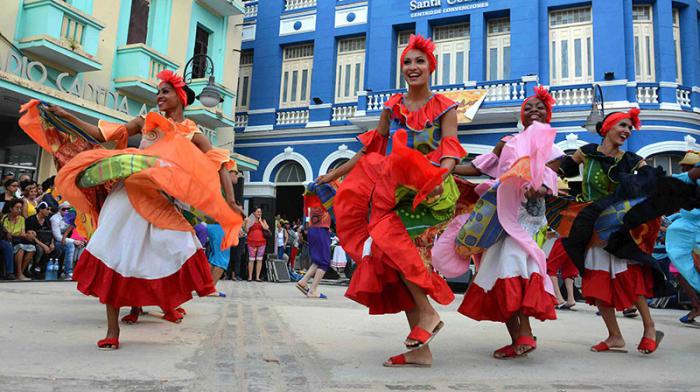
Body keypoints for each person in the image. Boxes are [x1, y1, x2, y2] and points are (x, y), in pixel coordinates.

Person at [19, 69, 243, 350]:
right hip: (126, 196)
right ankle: (112, 331)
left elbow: (221, 162)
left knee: (174, 251)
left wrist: (232, 202)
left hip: (161, 202)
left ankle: (164, 304)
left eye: (165, 91)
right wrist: (68, 117)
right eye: (158, 92)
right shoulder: (146, 121)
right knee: (116, 255)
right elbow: (103, 134)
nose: (159, 96)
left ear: (181, 96)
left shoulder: (192, 133)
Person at [323, 35, 466, 367]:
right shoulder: (392, 107)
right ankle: (421, 351)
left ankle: (428, 316)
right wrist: (332, 176)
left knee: (395, 252)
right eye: (407, 62)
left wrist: (437, 179)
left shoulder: (445, 106)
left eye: (419, 61)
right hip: (394, 194)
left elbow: (450, 152)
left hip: (430, 196)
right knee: (392, 260)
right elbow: (369, 150)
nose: (412, 67)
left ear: (432, 67)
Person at [445, 87, 562, 359]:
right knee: (497, 273)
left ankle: (523, 335)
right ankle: (521, 336)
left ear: (548, 113)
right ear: (522, 114)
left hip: (527, 219)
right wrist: (444, 168)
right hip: (497, 215)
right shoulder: (508, 141)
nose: (533, 111)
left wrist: (539, 187)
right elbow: (479, 168)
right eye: (528, 107)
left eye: (539, 107)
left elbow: (549, 177)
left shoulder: (551, 146)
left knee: (512, 268)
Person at [562, 109, 662, 354]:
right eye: (623, 125)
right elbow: (560, 170)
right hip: (590, 224)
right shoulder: (586, 153)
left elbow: (651, 180)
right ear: (607, 127)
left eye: (629, 127)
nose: (627, 131)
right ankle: (614, 336)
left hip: (616, 225)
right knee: (596, 281)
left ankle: (650, 328)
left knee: (628, 276)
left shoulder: (632, 159)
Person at [665, 151, 700, 325]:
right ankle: (696, 306)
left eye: (687, 167)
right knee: (678, 271)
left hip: (692, 239)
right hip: (685, 239)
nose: (684, 169)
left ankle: (696, 307)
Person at [545, 179, 579, 310]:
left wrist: (552, 233)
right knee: (569, 270)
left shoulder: (559, 205)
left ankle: (558, 297)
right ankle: (571, 298)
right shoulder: (574, 203)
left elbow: (559, 227)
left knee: (551, 268)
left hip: (563, 240)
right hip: (574, 241)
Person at [295, 205, 332, 299]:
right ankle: (312, 290)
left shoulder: (310, 197)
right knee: (324, 261)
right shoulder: (323, 194)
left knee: (318, 260)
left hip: (313, 229)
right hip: (321, 229)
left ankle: (303, 281)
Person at [1, 198, 36, 280]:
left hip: (18, 239)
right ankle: (19, 273)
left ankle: (20, 273)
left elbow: (22, 233)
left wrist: (28, 234)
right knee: (20, 249)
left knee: (32, 249)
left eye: (21, 208)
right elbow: (7, 234)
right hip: (9, 240)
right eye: (17, 208)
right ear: (11, 208)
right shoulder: (5, 218)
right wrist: (18, 234)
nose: (19, 210)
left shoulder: (21, 219)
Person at [50, 202, 84, 279]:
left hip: (66, 239)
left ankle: (77, 271)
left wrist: (79, 240)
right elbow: (57, 237)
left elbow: (72, 230)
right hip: (55, 241)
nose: (66, 211)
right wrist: (73, 241)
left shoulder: (70, 217)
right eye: (64, 209)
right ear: (59, 210)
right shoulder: (54, 219)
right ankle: (68, 272)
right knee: (71, 245)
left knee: (80, 245)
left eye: (68, 209)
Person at [25, 202, 56, 279]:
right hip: (33, 242)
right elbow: (31, 236)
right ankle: (33, 268)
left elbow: (52, 233)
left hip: (45, 242)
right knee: (40, 249)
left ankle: (41, 269)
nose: (49, 211)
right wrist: (44, 246)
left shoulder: (47, 220)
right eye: (47, 209)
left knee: (55, 249)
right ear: (40, 210)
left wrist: (52, 244)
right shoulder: (31, 219)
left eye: (50, 210)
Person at [245, 207, 269, 282]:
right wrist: (247, 223)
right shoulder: (250, 220)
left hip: (262, 242)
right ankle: (250, 277)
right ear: (254, 213)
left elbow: (266, 228)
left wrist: (260, 221)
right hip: (251, 241)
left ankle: (257, 277)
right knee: (251, 259)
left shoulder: (263, 220)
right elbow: (246, 230)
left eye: (260, 212)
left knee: (259, 259)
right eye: (258, 212)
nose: (259, 213)